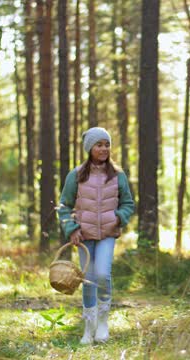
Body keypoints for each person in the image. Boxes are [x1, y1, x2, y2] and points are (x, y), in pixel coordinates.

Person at [58, 127, 135, 345]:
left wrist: (118, 218)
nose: (103, 149)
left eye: (107, 144)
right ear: (89, 148)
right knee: (88, 279)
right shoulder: (76, 175)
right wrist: (71, 228)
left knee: (102, 274)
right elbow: (64, 205)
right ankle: (88, 327)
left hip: (107, 234)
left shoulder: (118, 175)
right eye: (99, 145)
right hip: (83, 236)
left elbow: (128, 203)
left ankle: (103, 321)